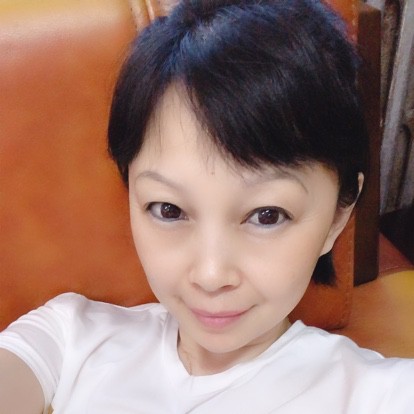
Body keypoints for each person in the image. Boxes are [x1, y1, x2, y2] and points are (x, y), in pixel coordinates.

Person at [0, 0, 413, 412]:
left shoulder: (378, 394)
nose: (211, 276)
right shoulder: (67, 338)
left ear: (338, 216)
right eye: (169, 210)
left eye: (266, 215)